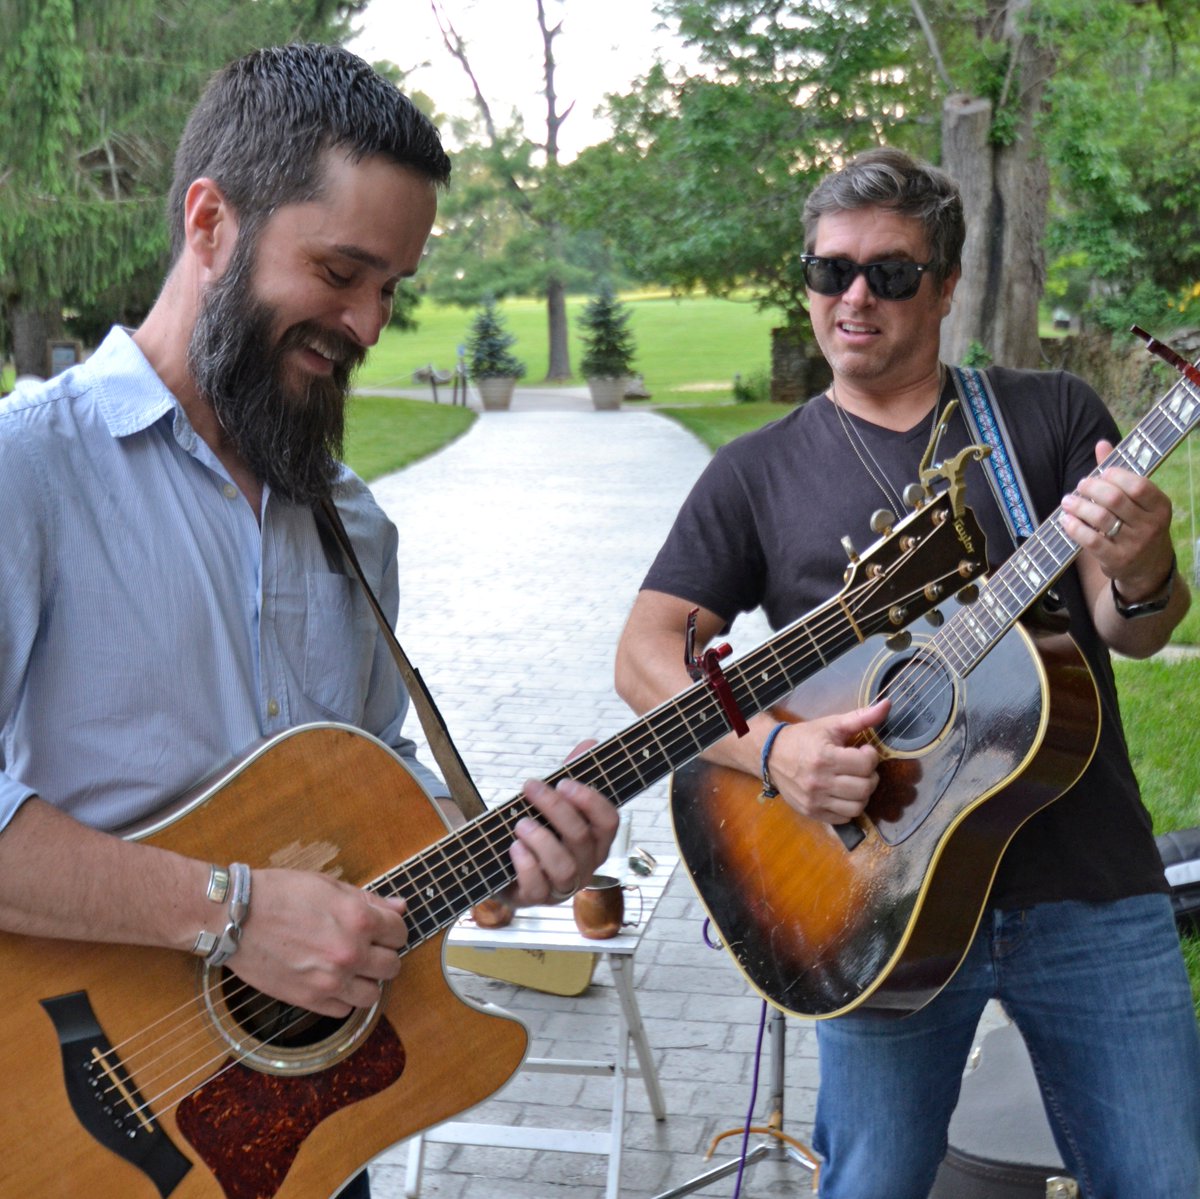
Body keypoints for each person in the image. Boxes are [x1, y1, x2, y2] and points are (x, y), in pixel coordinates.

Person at [0, 44, 616, 1199]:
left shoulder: (353, 525)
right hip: (62, 1109)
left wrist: (501, 852)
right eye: (340, 270)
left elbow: (356, 794)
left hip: (299, 1135)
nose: (368, 323)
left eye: (392, 288)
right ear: (211, 222)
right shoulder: (27, 471)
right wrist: (228, 913)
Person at [614, 147, 1200, 1198]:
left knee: (1166, 1175)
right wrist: (776, 749)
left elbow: (1132, 625)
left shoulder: (1048, 416)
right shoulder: (755, 472)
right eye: (828, 268)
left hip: (1090, 886)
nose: (853, 296)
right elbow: (643, 655)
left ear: (943, 286)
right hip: (876, 901)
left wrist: (1145, 557)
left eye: (888, 272)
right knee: (871, 1182)